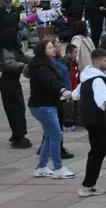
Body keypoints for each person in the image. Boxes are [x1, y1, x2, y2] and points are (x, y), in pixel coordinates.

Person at [28, 37, 76, 178]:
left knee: (50, 136)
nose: (54, 49)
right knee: (56, 135)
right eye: (50, 47)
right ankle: (58, 168)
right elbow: (52, 81)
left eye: (52, 47)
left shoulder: (46, 63)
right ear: (42, 51)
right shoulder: (41, 66)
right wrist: (63, 91)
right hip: (43, 105)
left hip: (47, 104)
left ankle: (42, 167)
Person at [76, 48, 106, 197]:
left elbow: (75, 95)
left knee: (97, 152)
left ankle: (88, 185)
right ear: (97, 62)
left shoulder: (87, 77)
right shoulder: (98, 80)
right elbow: (102, 102)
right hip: (99, 121)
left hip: (89, 120)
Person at [0, 29, 30, 148]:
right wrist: (24, 67)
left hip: (12, 81)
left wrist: (37, 60)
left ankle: (17, 134)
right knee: (15, 109)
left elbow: (24, 58)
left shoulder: (13, 49)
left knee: (18, 107)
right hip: (8, 82)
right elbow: (10, 63)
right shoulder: (6, 51)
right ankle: (19, 136)